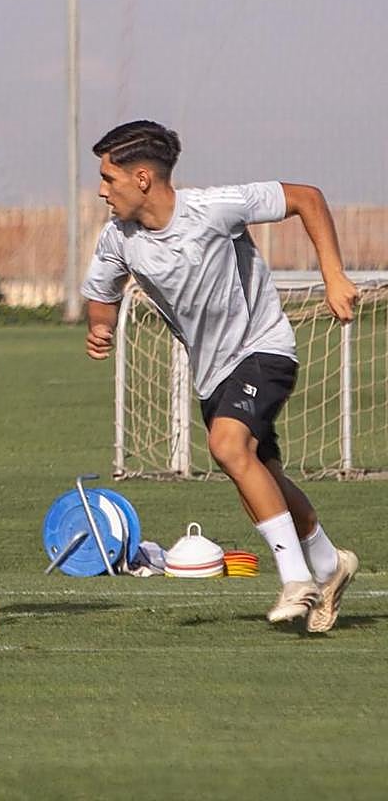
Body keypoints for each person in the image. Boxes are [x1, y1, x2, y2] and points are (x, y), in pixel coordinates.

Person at [80, 120, 360, 632]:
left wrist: (334, 275)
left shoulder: (214, 209)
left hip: (263, 349)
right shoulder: (117, 238)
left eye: (108, 177)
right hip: (211, 375)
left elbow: (307, 198)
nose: (101, 190)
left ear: (142, 177)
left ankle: (296, 580)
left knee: (228, 446)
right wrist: (101, 329)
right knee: (260, 475)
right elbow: (103, 293)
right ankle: (328, 565)